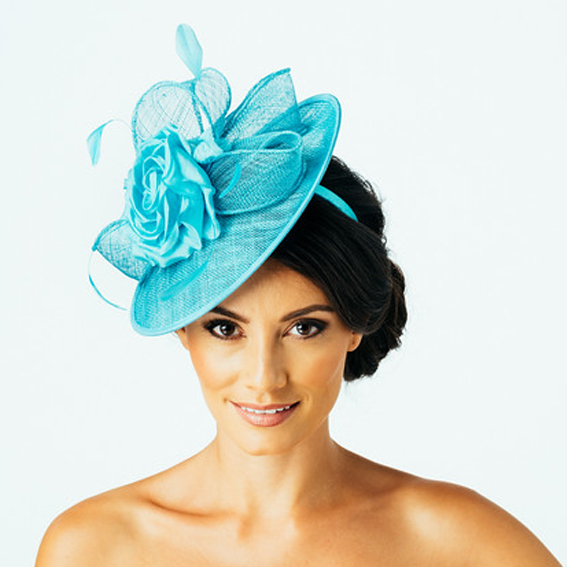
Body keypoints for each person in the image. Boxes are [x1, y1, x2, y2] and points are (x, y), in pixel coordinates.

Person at [35, 24, 561, 566]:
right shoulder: (93, 549)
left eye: (304, 328)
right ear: (184, 328)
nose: (264, 377)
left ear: (354, 327)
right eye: (225, 328)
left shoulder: (459, 543)